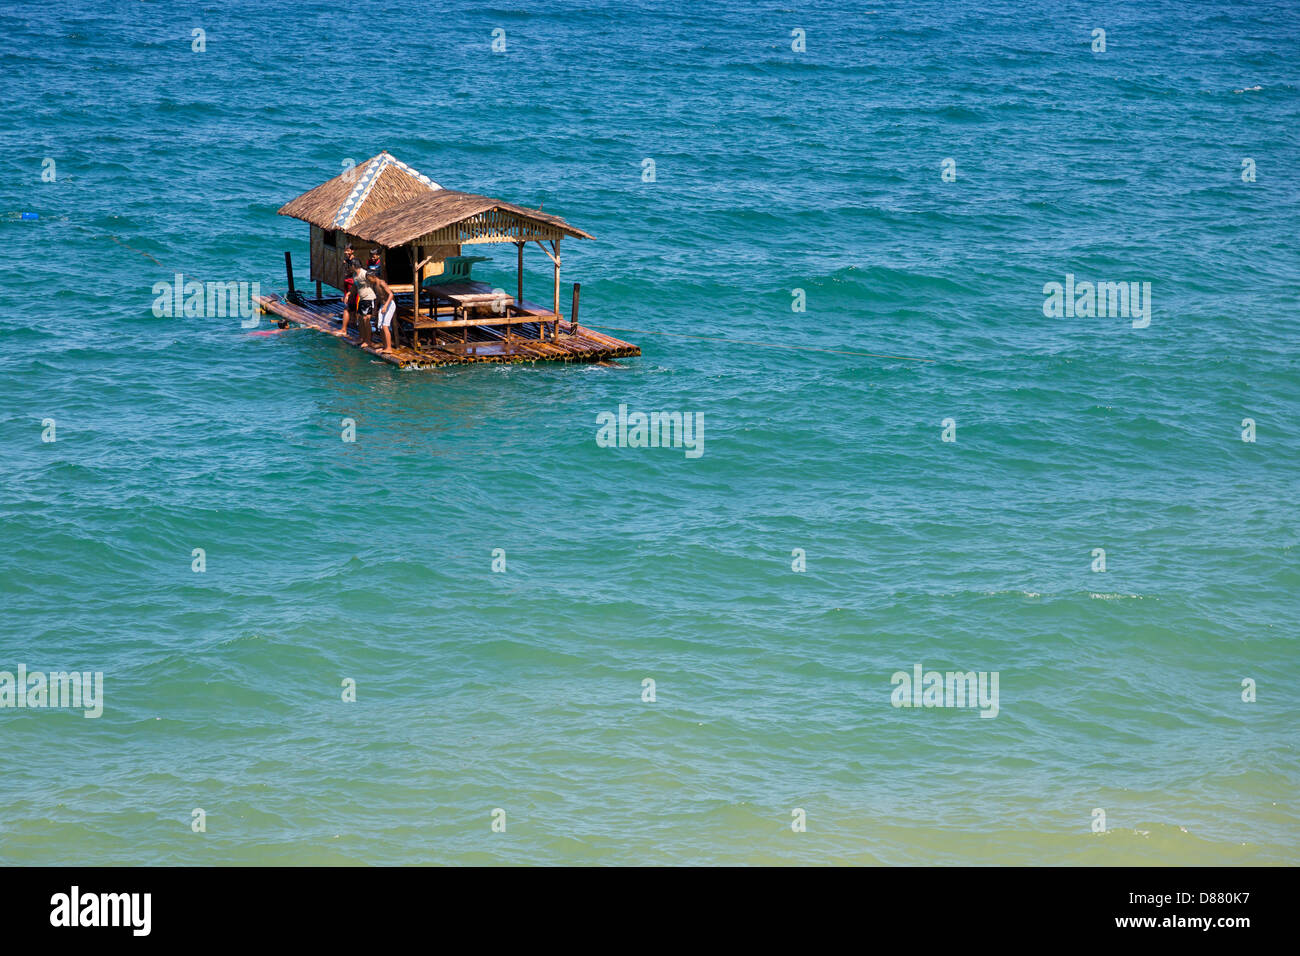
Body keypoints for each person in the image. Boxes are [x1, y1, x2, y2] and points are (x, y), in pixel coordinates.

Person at [366, 268, 396, 353]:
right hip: (383, 305)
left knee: (385, 326)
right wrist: (375, 309)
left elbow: (391, 295)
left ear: (373, 276)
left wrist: (386, 306)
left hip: (389, 305)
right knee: (380, 327)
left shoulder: (382, 283)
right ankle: (385, 346)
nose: (369, 281)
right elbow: (379, 297)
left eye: (369, 279)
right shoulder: (375, 285)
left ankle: (389, 348)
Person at [353, 266, 378, 345]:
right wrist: (349, 294)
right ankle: (362, 338)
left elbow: (374, 281)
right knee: (360, 318)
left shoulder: (364, 273)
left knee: (366, 319)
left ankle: (368, 340)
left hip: (369, 298)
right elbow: (355, 286)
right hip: (362, 298)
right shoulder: (355, 275)